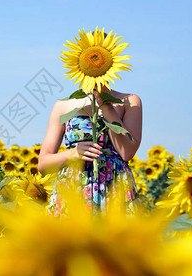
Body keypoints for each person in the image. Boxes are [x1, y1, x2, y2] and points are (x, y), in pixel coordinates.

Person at [38, 86, 143, 216]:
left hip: (114, 187)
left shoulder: (130, 102)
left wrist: (105, 104)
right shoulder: (62, 106)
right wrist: (73, 153)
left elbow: (126, 152)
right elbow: (43, 164)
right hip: (73, 189)